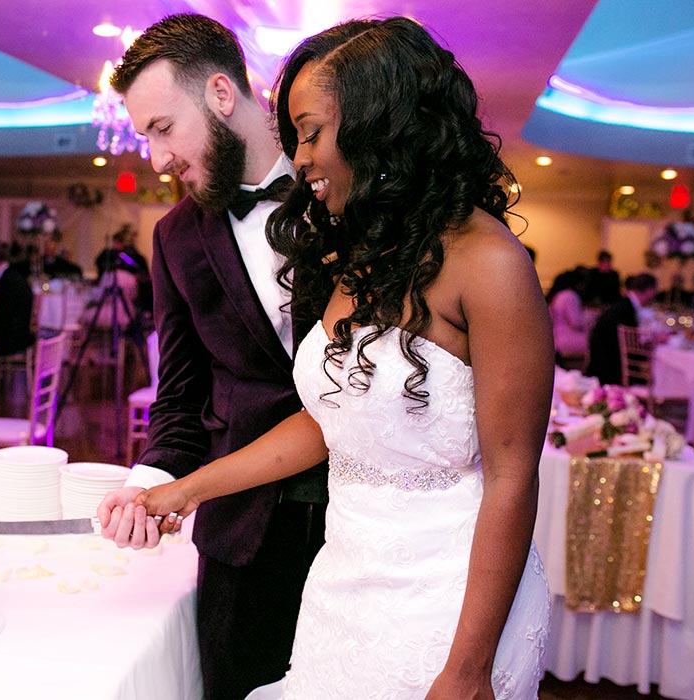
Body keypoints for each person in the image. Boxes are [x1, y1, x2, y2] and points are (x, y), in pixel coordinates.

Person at [134, 17, 553, 699]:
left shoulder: (491, 264)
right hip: (345, 587)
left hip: (444, 601)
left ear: (376, 122)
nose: (298, 157)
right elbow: (329, 420)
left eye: (309, 131)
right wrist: (185, 489)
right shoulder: (366, 254)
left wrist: (469, 669)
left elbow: (513, 476)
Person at [95, 14, 329, 700]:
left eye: (163, 129)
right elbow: (179, 394)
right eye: (144, 137)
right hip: (242, 536)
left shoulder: (343, 191)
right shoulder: (174, 239)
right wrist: (150, 484)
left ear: (222, 95)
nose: (156, 159)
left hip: (363, 524)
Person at [586, 272, 658, 386]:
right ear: (650, 290)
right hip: (612, 368)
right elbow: (633, 345)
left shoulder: (624, 304)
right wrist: (654, 340)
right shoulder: (626, 309)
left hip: (603, 362)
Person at [547, 266, 591, 370]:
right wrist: (588, 319)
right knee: (596, 342)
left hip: (557, 337)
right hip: (568, 339)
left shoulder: (558, 295)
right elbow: (575, 322)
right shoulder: (570, 296)